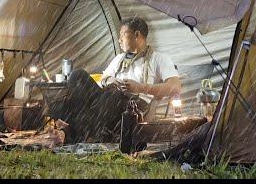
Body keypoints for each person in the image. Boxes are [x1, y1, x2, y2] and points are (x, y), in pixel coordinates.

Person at [53, 17, 181, 143]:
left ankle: (79, 132)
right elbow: (104, 78)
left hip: (133, 106)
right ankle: (82, 131)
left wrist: (140, 87)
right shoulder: (119, 58)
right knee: (77, 75)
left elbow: (175, 87)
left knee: (112, 96)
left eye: (122, 35)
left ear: (137, 35)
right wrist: (111, 81)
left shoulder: (158, 58)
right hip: (107, 99)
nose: (119, 40)